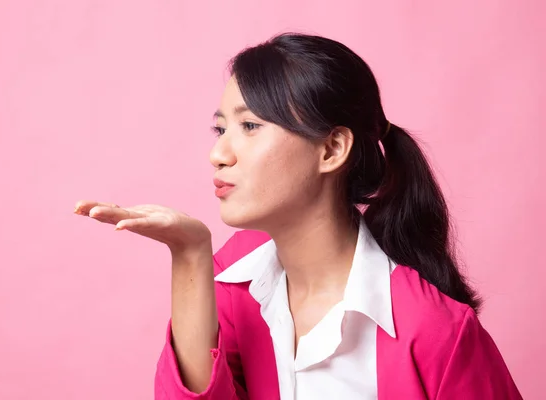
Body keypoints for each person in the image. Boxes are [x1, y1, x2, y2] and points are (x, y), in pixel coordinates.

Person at [74, 33, 522, 399]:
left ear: (331, 149)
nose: (218, 153)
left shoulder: (435, 329)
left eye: (250, 126)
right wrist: (190, 254)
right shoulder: (235, 281)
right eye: (220, 128)